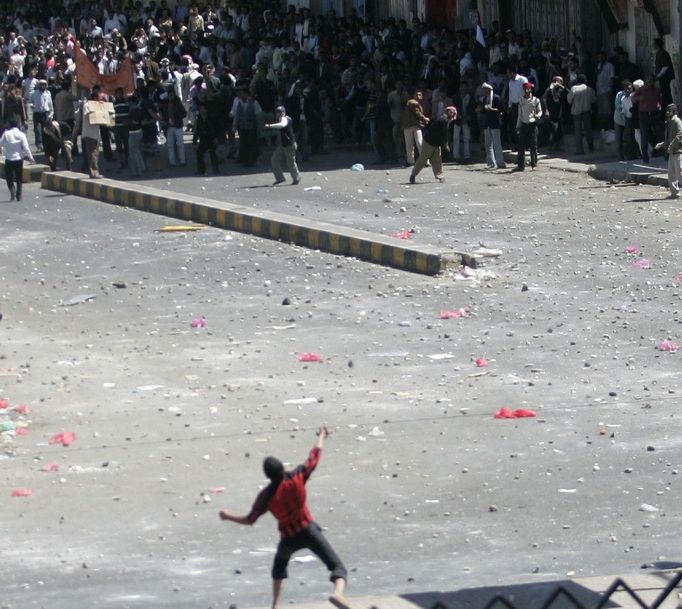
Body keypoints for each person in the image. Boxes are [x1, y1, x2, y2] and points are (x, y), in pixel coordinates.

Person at [219, 426, 351, 609]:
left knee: (278, 569)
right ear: (282, 468)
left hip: (288, 538)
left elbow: (250, 519)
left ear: (267, 476)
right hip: (309, 530)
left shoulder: (266, 496)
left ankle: (276, 605)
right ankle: (338, 593)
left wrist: (227, 516)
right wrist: (321, 435)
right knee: (337, 567)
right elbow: (314, 456)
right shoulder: (297, 477)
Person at [409, 106, 457, 184]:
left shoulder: (445, 120)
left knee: (437, 159)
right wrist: (446, 145)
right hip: (429, 142)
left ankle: (439, 175)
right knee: (423, 159)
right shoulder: (443, 120)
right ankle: (413, 175)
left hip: (435, 143)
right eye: (451, 113)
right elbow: (444, 135)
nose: (452, 115)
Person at [263, 105, 300, 186]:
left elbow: (282, 125)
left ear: (284, 113)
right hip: (283, 144)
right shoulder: (282, 119)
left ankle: (296, 178)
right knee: (274, 159)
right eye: (277, 112)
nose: (279, 114)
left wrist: (270, 126)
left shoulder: (285, 119)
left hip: (290, 144)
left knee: (291, 162)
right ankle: (280, 178)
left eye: (280, 112)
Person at [0, 120, 35, 201]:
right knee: (19, 178)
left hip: (9, 159)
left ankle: (12, 191)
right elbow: (26, 148)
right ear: (17, 126)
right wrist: (31, 158)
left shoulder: (6, 134)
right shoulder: (21, 134)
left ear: (10, 125)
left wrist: (5, 146)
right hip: (19, 159)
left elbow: (0, 143)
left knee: (9, 177)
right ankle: (19, 195)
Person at [630, 75, 660, 164]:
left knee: (660, 133)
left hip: (654, 113)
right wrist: (640, 98)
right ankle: (645, 158)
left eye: (651, 80)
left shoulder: (656, 90)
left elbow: (659, 99)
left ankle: (666, 153)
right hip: (644, 115)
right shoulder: (642, 89)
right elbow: (633, 98)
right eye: (648, 80)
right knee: (644, 136)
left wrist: (659, 106)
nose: (650, 82)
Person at [513, 82, 543, 171]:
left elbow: (540, 111)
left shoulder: (536, 100)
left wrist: (537, 115)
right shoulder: (521, 101)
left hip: (532, 124)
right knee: (521, 145)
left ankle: (534, 164)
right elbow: (520, 114)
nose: (527, 91)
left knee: (533, 145)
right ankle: (520, 165)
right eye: (525, 89)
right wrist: (517, 126)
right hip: (523, 124)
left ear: (531, 90)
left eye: (528, 89)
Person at [655, 103, 682, 199]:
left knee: (680, 173)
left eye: (669, 111)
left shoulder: (677, 121)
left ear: (673, 111)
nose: (667, 113)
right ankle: (675, 193)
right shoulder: (669, 122)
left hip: (678, 151)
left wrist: (672, 145)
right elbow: (669, 137)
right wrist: (662, 144)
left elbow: (680, 135)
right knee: (671, 174)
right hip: (671, 152)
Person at [567, 74, 596, 155]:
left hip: (576, 112)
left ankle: (579, 150)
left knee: (577, 132)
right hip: (586, 112)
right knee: (588, 130)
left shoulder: (574, 89)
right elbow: (593, 100)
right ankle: (591, 146)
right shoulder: (589, 89)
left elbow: (569, 100)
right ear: (585, 80)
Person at [478, 82, 505, 169]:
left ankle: (500, 162)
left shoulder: (496, 98)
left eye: (485, 89)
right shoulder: (485, 99)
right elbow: (484, 111)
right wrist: (480, 109)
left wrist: (491, 109)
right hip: (487, 123)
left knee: (497, 144)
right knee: (488, 144)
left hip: (495, 123)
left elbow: (501, 110)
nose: (483, 91)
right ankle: (491, 162)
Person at [401, 89, 429, 166]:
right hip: (411, 125)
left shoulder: (415, 103)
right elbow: (417, 113)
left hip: (413, 125)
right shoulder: (412, 102)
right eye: (416, 94)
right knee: (413, 144)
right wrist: (424, 119)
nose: (418, 96)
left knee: (416, 143)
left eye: (420, 95)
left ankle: (415, 161)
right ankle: (414, 161)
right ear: (413, 96)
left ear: (422, 97)